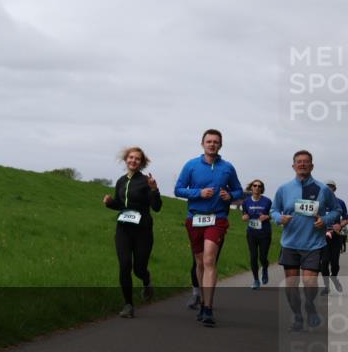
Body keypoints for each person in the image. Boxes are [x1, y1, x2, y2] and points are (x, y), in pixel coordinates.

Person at [173, 129, 244, 327]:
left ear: (220, 145)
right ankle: (203, 301)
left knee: (209, 259)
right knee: (199, 262)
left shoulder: (227, 168)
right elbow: (178, 190)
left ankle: (208, 308)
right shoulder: (191, 165)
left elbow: (239, 190)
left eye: (216, 142)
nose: (212, 144)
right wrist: (199, 193)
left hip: (217, 218)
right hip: (195, 218)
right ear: (202, 143)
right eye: (209, 141)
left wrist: (230, 196)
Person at [271, 151, 342, 329]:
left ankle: (310, 305)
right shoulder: (284, 189)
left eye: (306, 162)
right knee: (291, 285)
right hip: (290, 244)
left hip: (313, 244)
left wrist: (325, 220)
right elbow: (274, 210)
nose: (302, 164)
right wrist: (279, 218)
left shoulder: (323, 189)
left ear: (312, 166)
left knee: (309, 282)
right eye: (299, 162)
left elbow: (337, 211)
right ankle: (297, 317)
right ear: (293, 166)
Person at [103, 147, 162, 318]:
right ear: (126, 159)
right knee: (124, 265)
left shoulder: (146, 181)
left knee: (139, 269)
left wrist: (154, 189)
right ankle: (128, 305)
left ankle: (146, 280)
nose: (133, 160)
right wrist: (109, 202)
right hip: (123, 229)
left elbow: (156, 207)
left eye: (137, 158)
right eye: (131, 157)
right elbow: (120, 205)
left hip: (143, 230)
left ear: (142, 163)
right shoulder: (121, 181)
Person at [241, 179, 273, 289]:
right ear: (251, 187)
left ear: (262, 189)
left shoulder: (267, 201)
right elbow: (244, 214)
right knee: (253, 257)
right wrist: (244, 217)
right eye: (255, 185)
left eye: (259, 186)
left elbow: (272, 214)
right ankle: (256, 280)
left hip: (265, 233)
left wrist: (267, 217)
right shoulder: (246, 202)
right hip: (251, 233)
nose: (257, 188)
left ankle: (265, 268)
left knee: (263, 257)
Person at [320, 180, 347, 295]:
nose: (329, 189)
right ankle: (326, 287)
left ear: (334, 189)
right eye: (327, 187)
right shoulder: (319, 203)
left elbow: (346, 218)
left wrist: (340, 225)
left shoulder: (340, 202)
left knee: (334, 263)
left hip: (336, 236)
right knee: (324, 262)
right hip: (322, 237)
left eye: (331, 187)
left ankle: (334, 277)